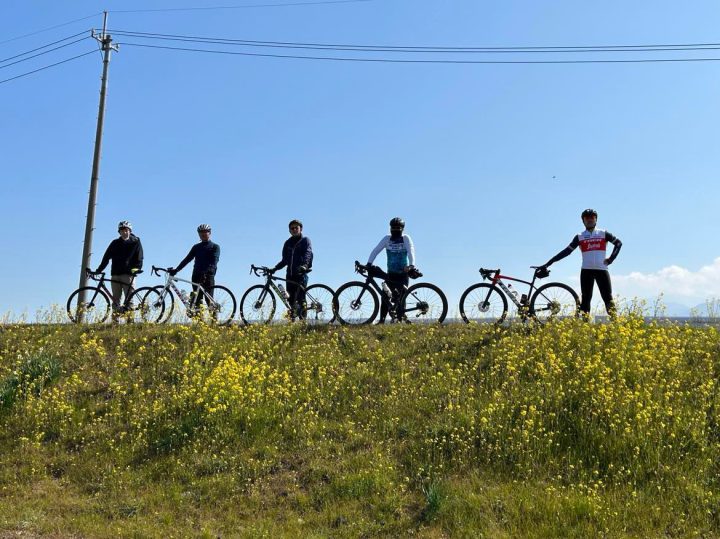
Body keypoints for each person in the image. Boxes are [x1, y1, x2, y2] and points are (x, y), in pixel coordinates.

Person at [539, 208, 622, 317]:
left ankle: (615, 325)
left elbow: (618, 243)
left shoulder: (603, 233)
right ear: (583, 221)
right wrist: (548, 263)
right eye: (587, 218)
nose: (590, 220)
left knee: (608, 299)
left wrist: (611, 259)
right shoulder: (580, 236)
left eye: (592, 217)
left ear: (596, 219)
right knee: (586, 300)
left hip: (602, 270)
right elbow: (566, 252)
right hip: (586, 270)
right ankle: (585, 326)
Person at [367, 217, 416, 324]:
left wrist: (412, 265)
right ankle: (382, 321)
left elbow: (411, 251)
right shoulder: (387, 239)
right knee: (385, 298)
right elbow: (376, 250)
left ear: (402, 229)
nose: (395, 229)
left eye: (397, 228)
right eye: (393, 227)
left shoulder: (406, 238)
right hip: (390, 274)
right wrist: (369, 263)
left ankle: (400, 319)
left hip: (403, 275)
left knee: (401, 299)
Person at [95, 220, 143, 313]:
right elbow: (106, 257)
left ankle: (130, 322)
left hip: (128, 274)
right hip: (115, 274)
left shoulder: (135, 242)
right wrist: (99, 270)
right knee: (115, 300)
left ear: (130, 231)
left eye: (126, 230)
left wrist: (137, 269)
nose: (124, 232)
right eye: (122, 231)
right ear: (119, 232)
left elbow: (140, 257)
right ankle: (115, 324)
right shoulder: (115, 243)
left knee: (129, 299)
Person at [169, 224, 220, 312]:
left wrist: (207, 272)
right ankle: (200, 323)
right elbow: (187, 259)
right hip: (196, 275)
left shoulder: (215, 247)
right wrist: (177, 270)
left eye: (205, 232)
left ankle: (214, 322)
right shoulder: (196, 247)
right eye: (201, 232)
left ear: (209, 233)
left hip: (208, 277)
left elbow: (214, 262)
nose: (203, 234)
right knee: (197, 301)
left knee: (209, 300)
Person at [272, 219, 313, 320]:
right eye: (292, 228)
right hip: (289, 275)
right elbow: (285, 260)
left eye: (296, 227)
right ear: (289, 230)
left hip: (301, 273)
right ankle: (292, 323)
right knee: (290, 300)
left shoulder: (305, 240)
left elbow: (308, 254)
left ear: (301, 229)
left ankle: (303, 323)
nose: (294, 229)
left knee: (301, 299)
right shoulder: (287, 243)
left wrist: (305, 266)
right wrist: (275, 268)